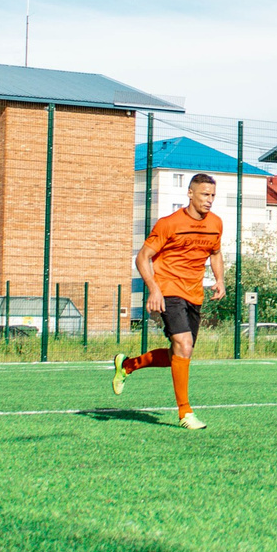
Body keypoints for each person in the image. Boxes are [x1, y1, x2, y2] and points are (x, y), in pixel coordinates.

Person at [113, 172, 225, 428]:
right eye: (205, 195)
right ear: (190, 194)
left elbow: (216, 253)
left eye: (213, 196)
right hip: (168, 289)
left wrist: (220, 279)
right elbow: (142, 257)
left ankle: (127, 365)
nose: (209, 200)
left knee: (180, 352)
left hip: (194, 293)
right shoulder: (169, 223)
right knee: (184, 345)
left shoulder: (216, 223)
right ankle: (185, 413)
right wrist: (153, 288)